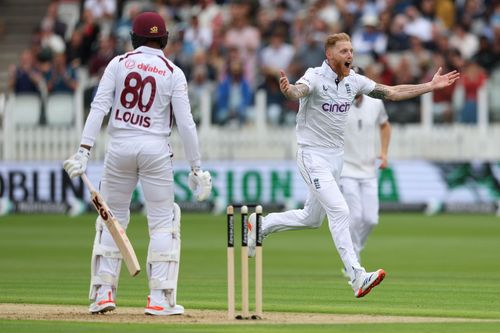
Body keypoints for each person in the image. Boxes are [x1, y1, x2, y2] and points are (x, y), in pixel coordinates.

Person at [247, 32, 459, 298]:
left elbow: (392, 92)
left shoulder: (353, 81)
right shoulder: (314, 76)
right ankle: (357, 275)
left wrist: (429, 86)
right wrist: (289, 90)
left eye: (351, 50)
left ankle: (260, 225)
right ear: (330, 55)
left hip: (336, 158)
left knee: (311, 218)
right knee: (340, 210)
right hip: (312, 155)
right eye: (344, 51)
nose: (350, 55)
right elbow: (298, 91)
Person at [62, 12, 212, 316]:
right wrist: (196, 168)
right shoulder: (173, 71)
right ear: (165, 39)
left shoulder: (118, 63)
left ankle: (103, 293)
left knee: (112, 218)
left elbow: (99, 107)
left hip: (119, 148)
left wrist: (83, 152)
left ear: (134, 38)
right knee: (162, 222)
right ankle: (159, 298)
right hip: (155, 149)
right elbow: (186, 124)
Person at [340, 66, 391, 272]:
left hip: (369, 169)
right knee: (356, 217)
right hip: (346, 169)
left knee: (371, 219)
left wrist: (384, 152)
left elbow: (385, 126)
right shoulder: (339, 105)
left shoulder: (375, 103)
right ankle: (352, 263)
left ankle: (355, 249)